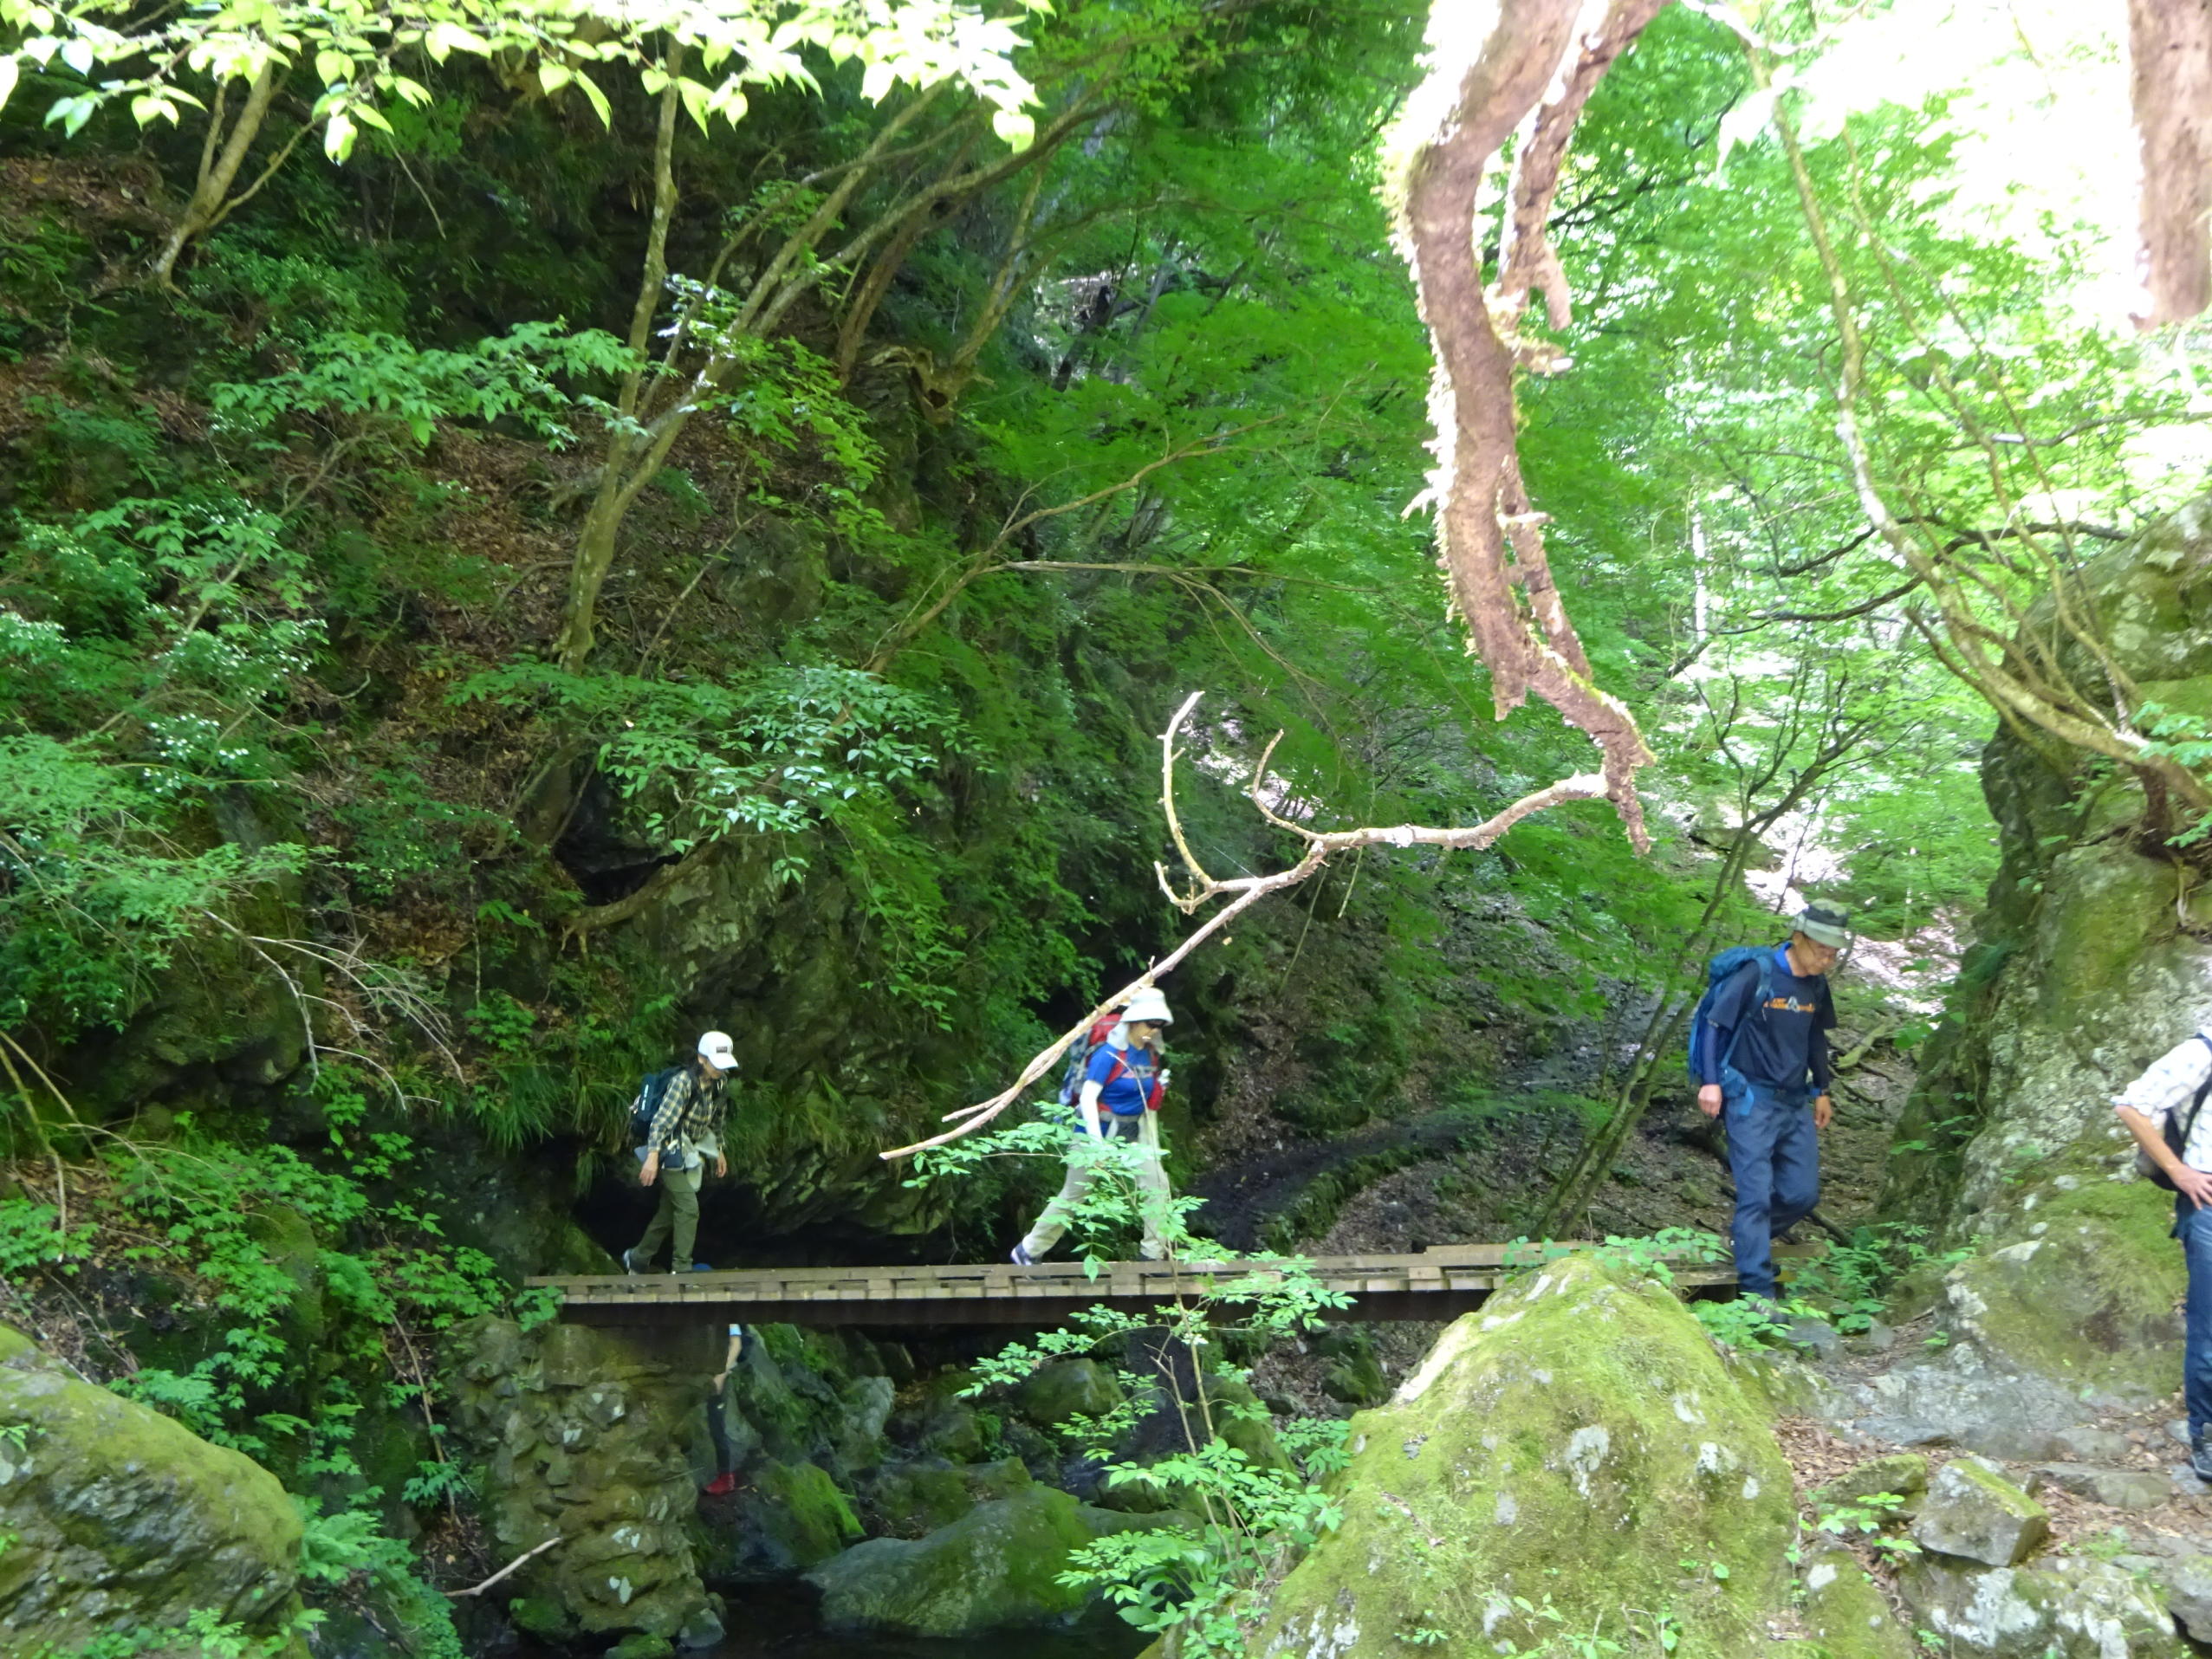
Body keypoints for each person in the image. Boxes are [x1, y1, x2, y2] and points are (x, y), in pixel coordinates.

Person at [1695, 905, 1847, 1306]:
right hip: (1749, 1098)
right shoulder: (1756, 973)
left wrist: (1823, 1089)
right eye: (1821, 950)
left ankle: (1744, 1238)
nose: (1826, 959)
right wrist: (1711, 1083)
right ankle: (1758, 1295)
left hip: (1795, 1100)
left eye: (1834, 954)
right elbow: (1714, 1025)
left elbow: (1816, 1038)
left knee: (1801, 1195)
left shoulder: (1815, 985)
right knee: (1756, 1196)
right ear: (1797, 938)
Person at [1011, 989, 1174, 1265]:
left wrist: (1154, 1146)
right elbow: (1087, 1098)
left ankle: (1152, 1255)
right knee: (1074, 1195)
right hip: (1093, 1135)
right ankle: (1028, 1250)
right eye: (1150, 1023)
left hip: (1133, 1137)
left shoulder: (1150, 1056)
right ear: (1133, 1021)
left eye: (1159, 1024)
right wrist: (1096, 1145)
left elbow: (1148, 1107)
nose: (1154, 1029)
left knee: (1158, 1187)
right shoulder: (1108, 1054)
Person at [2112, 1033, 2212, 1483]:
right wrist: (2177, 1169)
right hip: (2208, 1202)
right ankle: (2206, 1434)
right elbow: (2132, 1105)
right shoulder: (2203, 1050)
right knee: (2210, 1329)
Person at [623, 1031, 736, 1275]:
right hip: (668, 1147)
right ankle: (682, 1270)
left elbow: (718, 1119)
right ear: (702, 1059)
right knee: (688, 1207)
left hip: (689, 1147)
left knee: (668, 1212)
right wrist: (652, 1157)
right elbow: (661, 1123)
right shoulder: (683, 1083)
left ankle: (637, 1259)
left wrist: (719, 1150)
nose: (721, 1070)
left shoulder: (720, 1083)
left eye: (724, 1065)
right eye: (717, 1065)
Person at [703, 1323, 748, 1498]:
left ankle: (726, 1477)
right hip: (710, 1375)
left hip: (719, 1377)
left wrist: (721, 1375)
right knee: (713, 1423)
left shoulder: (726, 1312)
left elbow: (736, 1344)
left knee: (717, 1425)